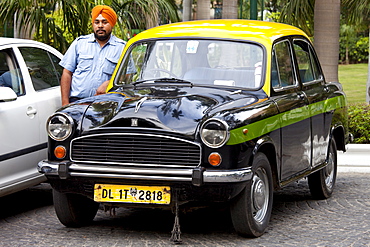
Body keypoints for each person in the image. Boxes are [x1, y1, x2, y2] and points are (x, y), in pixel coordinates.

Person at [59, 5, 127, 106]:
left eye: (105, 22)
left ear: (112, 24)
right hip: (78, 103)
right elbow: (67, 73)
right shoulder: (80, 43)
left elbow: (127, 76)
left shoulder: (121, 47)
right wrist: (65, 103)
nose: (100, 26)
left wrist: (109, 83)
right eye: (97, 22)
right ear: (93, 24)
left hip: (107, 104)